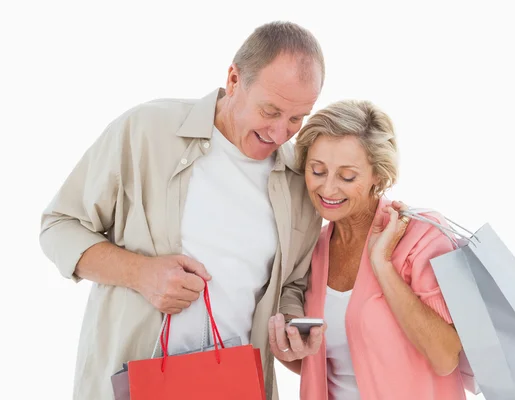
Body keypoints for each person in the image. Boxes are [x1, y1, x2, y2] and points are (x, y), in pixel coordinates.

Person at [39, 21, 327, 400]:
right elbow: (59, 226)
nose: (279, 133)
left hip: (236, 387)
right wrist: (141, 273)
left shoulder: (299, 182)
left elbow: (290, 285)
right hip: (133, 382)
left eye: (296, 118)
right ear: (235, 78)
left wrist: (291, 328)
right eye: (269, 111)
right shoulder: (147, 130)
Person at [269, 100, 466, 399]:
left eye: (347, 176)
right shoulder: (313, 247)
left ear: (378, 174)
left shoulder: (421, 235)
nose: (328, 189)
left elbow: (444, 358)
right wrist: (286, 347)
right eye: (318, 170)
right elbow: (325, 364)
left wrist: (382, 265)